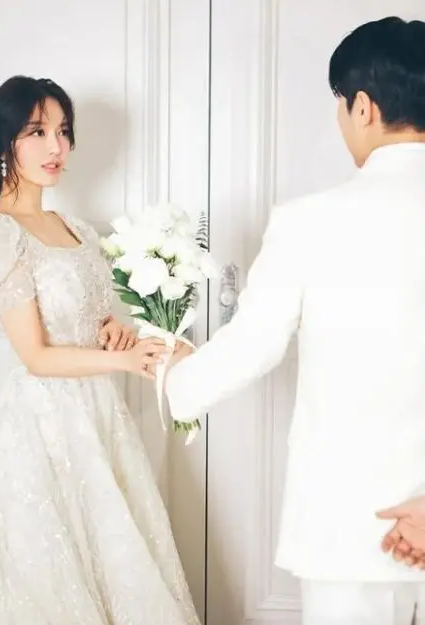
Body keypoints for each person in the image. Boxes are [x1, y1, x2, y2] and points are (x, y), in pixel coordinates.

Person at [165, 17, 425, 625]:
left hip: (350, 526)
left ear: (362, 107)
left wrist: (176, 378)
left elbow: (255, 344)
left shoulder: (310, 221)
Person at [0, 75, 199, 625]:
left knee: (115, 557)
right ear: (5, 141)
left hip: (99, 414)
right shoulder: (0, 233)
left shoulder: (74, 228)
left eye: (63, 131)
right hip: (41, 422)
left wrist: (113, 331)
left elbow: (87, 320)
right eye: (38, 131)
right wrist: (123, 361)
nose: (56, 146)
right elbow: (36, 356)